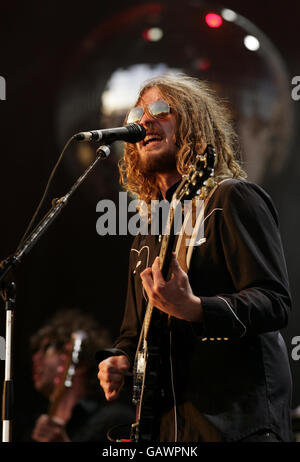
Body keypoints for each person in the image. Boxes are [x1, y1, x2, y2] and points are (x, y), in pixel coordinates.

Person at [97, 73, 293, 442]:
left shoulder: (231, 199)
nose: (144, 121)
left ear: (193, 123)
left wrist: (196, 308)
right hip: (169, 429)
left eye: (160, 109)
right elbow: (131, 332)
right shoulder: (147, 231)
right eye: (137, 113)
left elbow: (275, 302)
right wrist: (119, 360)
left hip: (238, 425)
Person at [21, 308, 134, 442]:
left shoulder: (114, 422)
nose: (36, 357)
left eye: (48, 348)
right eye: (36, 351)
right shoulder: (32, 432)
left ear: (79, 361)